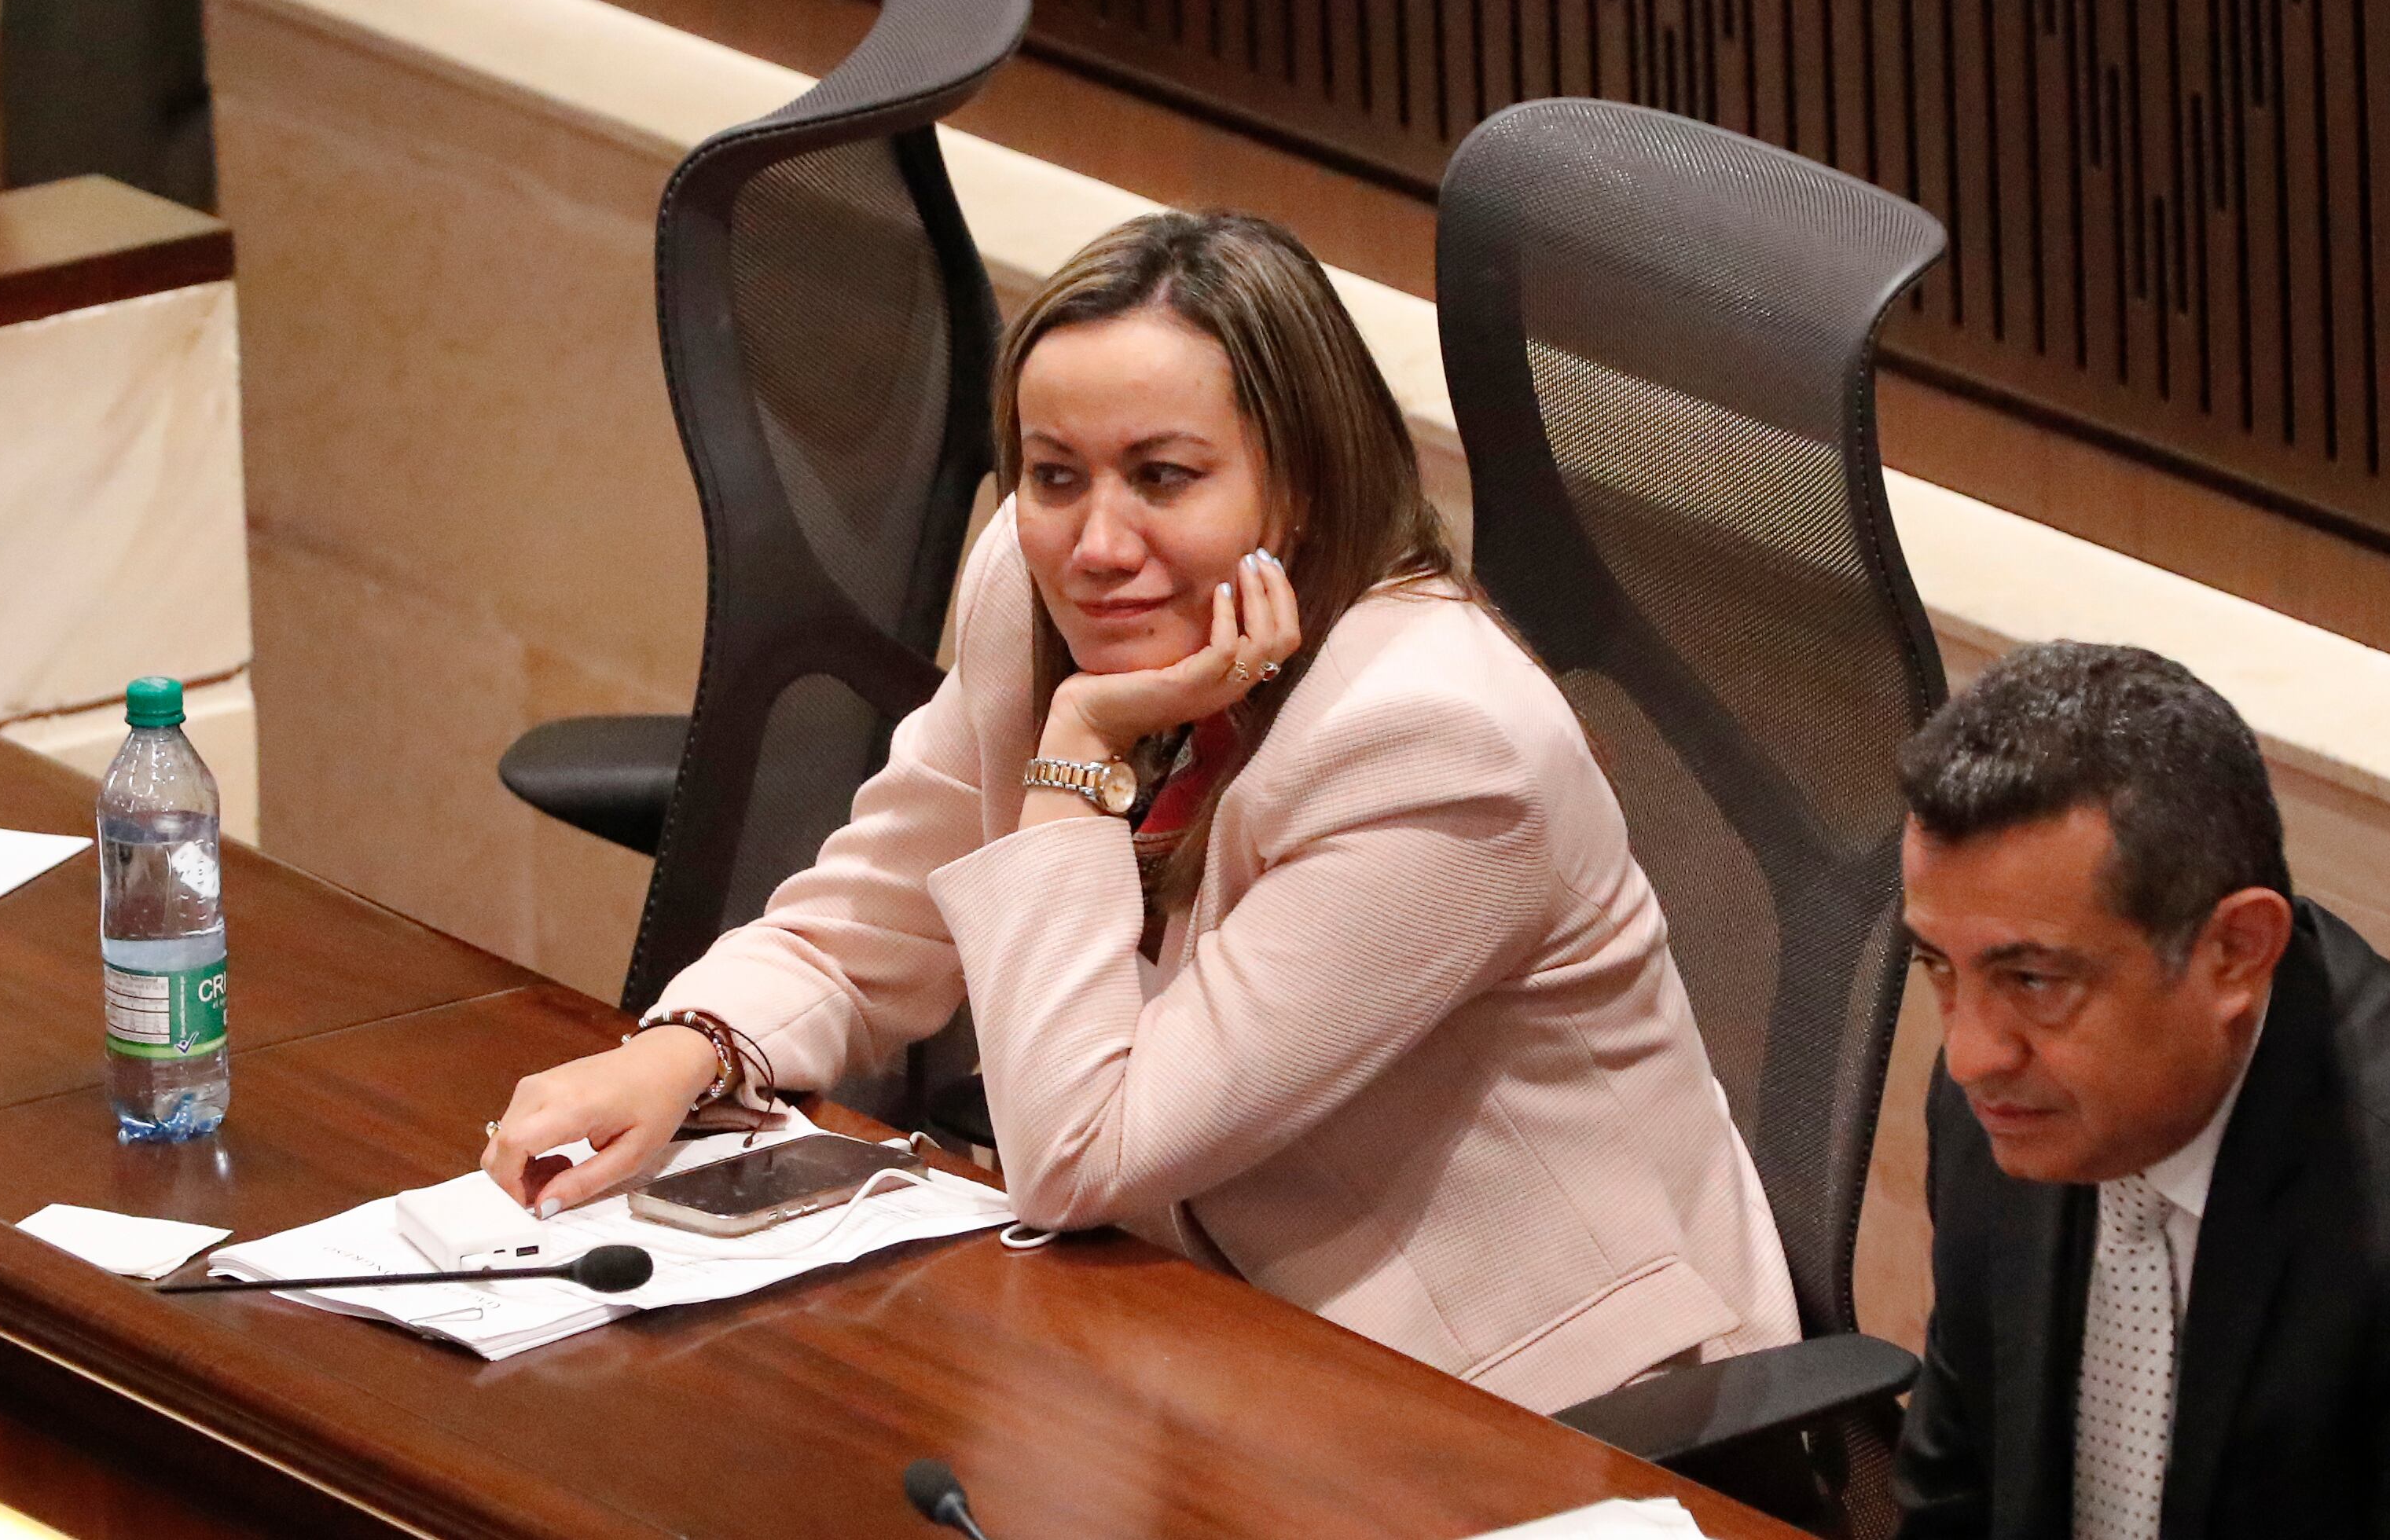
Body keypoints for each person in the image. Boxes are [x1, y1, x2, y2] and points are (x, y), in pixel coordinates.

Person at [482, 209, 1797, 1411]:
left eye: (1163, 477)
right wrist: (683, 1050)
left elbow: (1080, 1149)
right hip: (1202, 1338)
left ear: (1304, 480)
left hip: (1529, 1412)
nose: (1097, 543)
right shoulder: (1038, 585)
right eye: (1053, 476)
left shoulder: (1436, 746)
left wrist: (1074, 755)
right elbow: (859, 930)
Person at [1890, 641, 2390, 1540]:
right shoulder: (2002, 1104)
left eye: (2034, 981)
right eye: (1940, 967)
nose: (1971, 1052)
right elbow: (1951, 1505)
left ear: (2234, 953)